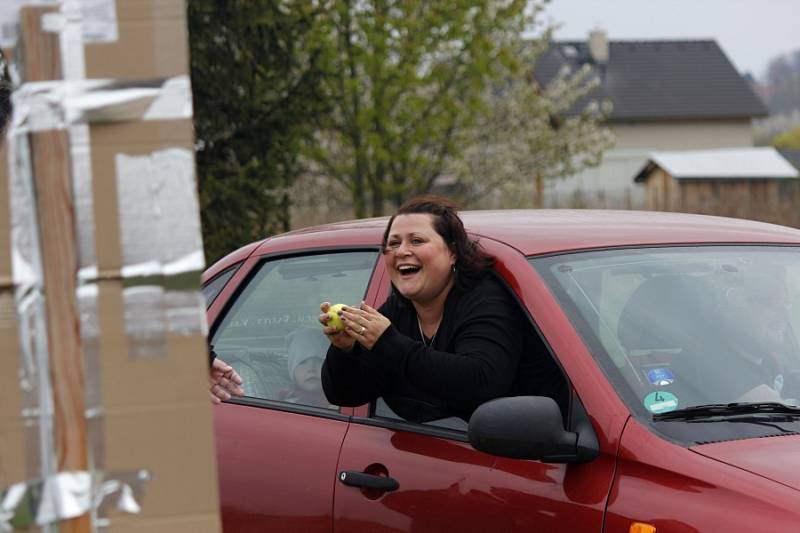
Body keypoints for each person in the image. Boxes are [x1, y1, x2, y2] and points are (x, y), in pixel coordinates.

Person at [319, 196, 566, 423]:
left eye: (417, 240)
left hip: (523, 457)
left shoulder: (486, 301)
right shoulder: (396, 311)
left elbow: (482, 383)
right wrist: (345, 350)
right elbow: (345, 394)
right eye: (393, 243)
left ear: (453, 253)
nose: (402, 250)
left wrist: (389, 343)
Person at [279, 327, 334, 408]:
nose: (311, 369)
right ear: (292, 371)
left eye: (318, 360)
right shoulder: (290, 403)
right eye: (302, 362)